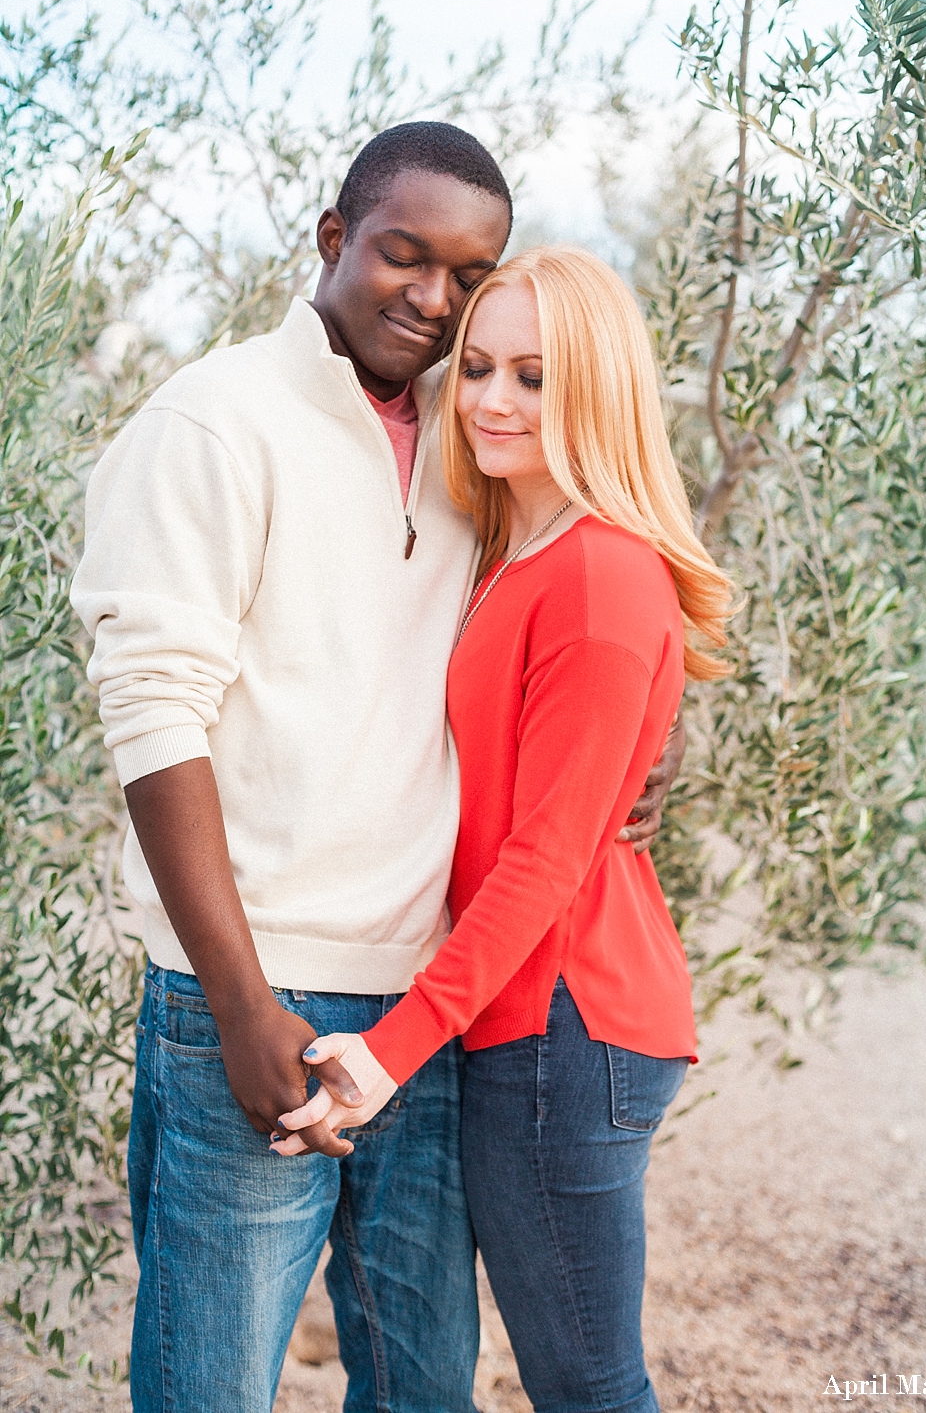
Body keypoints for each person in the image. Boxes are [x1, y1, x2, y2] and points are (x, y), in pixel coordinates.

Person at [70, 125, 684, 1413]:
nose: (435, 301)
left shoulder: (472, 461)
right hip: (255, 993)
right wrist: (239, 1004)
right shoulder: (214, 421)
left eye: (470, 275)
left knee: (421, 1384)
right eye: (404, 255)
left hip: (432, 1004)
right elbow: (154, 712)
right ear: (334, 241)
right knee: (211, 1383)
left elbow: (571, 679)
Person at [271, 246, 733, 1413]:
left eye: (533, 376)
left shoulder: (597, 576)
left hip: (561, 1023)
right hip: (527, 1013)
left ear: (596, 391)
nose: (488, 400)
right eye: (476, 367)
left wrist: (390, 1049)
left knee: (583, 1381)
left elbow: (546, 856)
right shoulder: (511, 554)